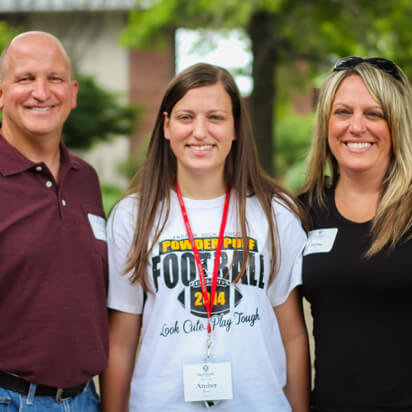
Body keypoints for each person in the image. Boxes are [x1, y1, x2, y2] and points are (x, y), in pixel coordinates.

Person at [102, 63, 309, 412]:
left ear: (236, 128)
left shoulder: (275, 214)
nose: (200, 132)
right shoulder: (133, 216)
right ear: (166, 127)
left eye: (215, 117)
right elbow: (121, 343)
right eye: (185, 118)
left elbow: (293, 336)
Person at [0, 31, 108, 411]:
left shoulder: (86, 179)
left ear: (73, 93)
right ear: (0, 92)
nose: (41, 92)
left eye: (55, 79)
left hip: (85, 400)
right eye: (25, 78)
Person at [300, 56, 412, 411]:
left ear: (396, 124)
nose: (356, 126)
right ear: (326, 124)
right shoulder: (302, 212)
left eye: (374, 114)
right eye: (343, 112)